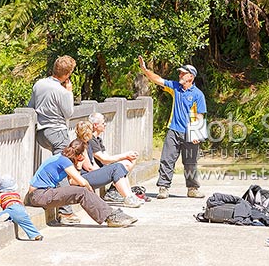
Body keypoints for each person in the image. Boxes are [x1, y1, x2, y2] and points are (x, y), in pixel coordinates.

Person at [24, 138, 137, 227]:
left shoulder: (62, 158)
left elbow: (72, 181)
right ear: (79, 155)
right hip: (40, 195)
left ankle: (109, 214)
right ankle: (110, 216)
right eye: (83, 155)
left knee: (82, 191)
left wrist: (78, 166)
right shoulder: (64, 161)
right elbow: (82, 182)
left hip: (40, 194)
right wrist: (91, 191)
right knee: (83, 191)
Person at [139, 56, 207, 199]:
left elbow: (200, 115)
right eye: (180, 73)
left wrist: (196, 134)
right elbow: (158, 79)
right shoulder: (175, 87)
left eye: (183, 73)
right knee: (166, 160)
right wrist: (145, 71)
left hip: (190, 133)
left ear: (190, 76)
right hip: (174, 130)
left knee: (190, 163)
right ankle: (163, 188)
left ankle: (192, 188)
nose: (180, 75)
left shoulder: (198, 95)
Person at [27, 55, 79, 224]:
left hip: (42, 132)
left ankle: (57, 202)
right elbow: (69, 113)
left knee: (55, 168)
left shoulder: (39, 84)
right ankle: (66, 212)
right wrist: (69, 92)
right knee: (63, 169)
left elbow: (31, 107)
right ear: (67, 74)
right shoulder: (62, 91)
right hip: (58, 132)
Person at [74, 121, 143, 208]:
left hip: (89, 174)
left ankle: (130, 196)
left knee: (118, 167)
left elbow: (93, 164)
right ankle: (127, 198)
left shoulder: (87, 144)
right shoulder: (80, 145)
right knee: (116, 168)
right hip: (83, 177)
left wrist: (105, 170)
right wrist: (105, 172)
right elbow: (89, 167)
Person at [86, 112, 141, 202]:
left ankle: (128, 194)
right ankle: (123, 195)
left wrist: (127, 157)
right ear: (95, 125)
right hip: (94, 171)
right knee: (121, 166)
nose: (105, 125)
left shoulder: (98, 139)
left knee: (127, 162)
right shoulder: (91, 140)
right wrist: (125, 155)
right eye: (103, 123)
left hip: (102, 168)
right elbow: (104, 160)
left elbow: (107, 157)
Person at [0, 174, 43, 241]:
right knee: (27, 223)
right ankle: (36, 235)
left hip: (11, 209)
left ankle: (4, 216)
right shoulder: (16, 195)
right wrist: (24, 211)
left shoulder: (0, 195)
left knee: (0, 215)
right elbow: (22, 203)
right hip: (20, 208)